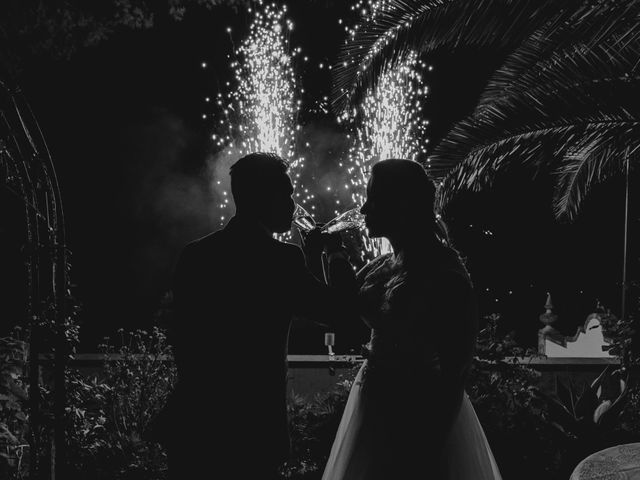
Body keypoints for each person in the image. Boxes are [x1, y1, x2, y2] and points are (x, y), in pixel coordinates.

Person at [150, 152, 357, 479]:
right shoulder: (282, 261)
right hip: (253, 431)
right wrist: (334, 254)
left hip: (195, 426)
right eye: (287, 193)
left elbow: (184, 341)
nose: (293, 204)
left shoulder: (196, 255)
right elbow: (341, 312)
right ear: (265, 197)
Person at [321, 159, 502, 480]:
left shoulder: (444, 273)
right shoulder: (383, 265)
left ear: (401, 205)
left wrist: (429, 447)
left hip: (418, 417)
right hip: (373, 407)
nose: (363, 210)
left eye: (373, 199)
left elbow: (454, 375)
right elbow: (345, 312)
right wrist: (331, 255)